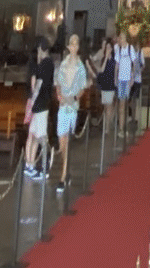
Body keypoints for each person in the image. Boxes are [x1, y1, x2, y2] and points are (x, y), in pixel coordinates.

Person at [52, 33, 86, 191]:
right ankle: (66, 171)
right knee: (61, 141)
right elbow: (57, 82)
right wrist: (59, 95)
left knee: (67, 139)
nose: (73, 47)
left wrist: (73, 97)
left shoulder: (80, 66)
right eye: (71, 44)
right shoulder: (63, 64)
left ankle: (63, 176)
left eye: (76, 44)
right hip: (62, 105)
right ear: (68, 47)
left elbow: (82, 88)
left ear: (78, 47)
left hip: (72, 106)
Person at [24, 37, 55, 180]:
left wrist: (33, 99)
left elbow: (39, 83)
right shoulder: (46, 63)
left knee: (41, 136)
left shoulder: (46, 63)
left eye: (38, 50)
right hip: (39, 104)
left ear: (42, 49)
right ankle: (31, 166)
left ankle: (46, 165)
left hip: (41, 103)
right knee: (35, 134)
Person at [92, 36, 118, 136]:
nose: (108, 49)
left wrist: (116, 80)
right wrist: (106, 58)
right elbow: (101, 70)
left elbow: (116, 70)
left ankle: (107, 126)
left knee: (109, 106)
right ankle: (108, 124)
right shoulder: (104, 59)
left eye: (109, 48)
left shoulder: (114, 59)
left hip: (111, 83)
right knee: (106, 105)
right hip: (104, 83)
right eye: (107, 48)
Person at [115, 33, 134, 129]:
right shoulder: (118, 50)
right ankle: (121, 128)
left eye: (121, 39)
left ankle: (124, 125)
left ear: (125, 39)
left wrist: (132, 77)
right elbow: (117, 65)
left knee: (125, 103)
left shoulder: (130, 49)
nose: (120, 41)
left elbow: (134, 63)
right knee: (121, 104)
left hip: (127, 80)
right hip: (120, 79)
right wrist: (115, 77)